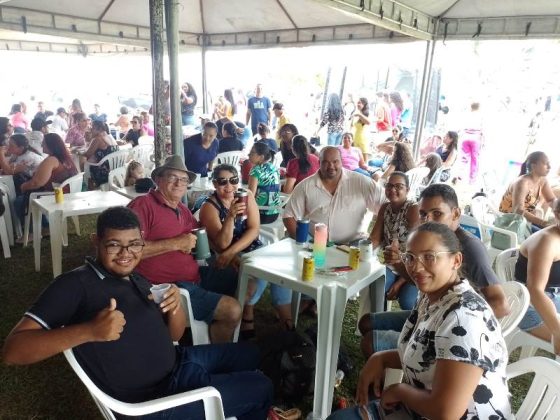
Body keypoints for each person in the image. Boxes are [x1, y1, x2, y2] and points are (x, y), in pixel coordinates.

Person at [2, 206, 273, 420]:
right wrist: (89, 331)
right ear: (96, 242)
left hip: (179, 362)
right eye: (114, 244)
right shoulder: (74, 285)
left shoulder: (135, 277)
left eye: (134, 244)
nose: (126, 253)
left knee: (252, 353)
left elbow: (173, 335)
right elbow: (13, 351)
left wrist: (175, 308)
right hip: (156, 401)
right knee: (261, 387)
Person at [329, 222, 512, 420]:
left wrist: (399, 391)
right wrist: (380, 358)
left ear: (456, 260)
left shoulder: (464, 318)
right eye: (410, 257)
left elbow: (445, 412)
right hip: (421, 405)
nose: (416, 267)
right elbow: (426, 354)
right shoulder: (433, 296)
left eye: (429, 256)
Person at [359, 183, 510, 358]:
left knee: (370, 342)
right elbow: (423, 279)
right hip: (425, 314)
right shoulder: (429, 240)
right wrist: (399, 263)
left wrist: (452, 328)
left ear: (455, 214)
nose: (428, 220)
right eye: (423, 214)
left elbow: (501, 305)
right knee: (366, 323)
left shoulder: (469, 248)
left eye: (437, 214)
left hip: (445, 328)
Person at [127, 155, 241, 343]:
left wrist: (228, 254)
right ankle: (211, 353)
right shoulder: (142, 205)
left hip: (195, 275)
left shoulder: (182, 208)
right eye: (172, 177)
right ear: (158, 180)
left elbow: (201, 237)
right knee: (232, 310)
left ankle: (207, 327)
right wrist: (176, 243)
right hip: (170, 287)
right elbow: (128, 249)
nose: (179, 183)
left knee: (236, 276)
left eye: (184, 179)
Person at [283, 146, 385, 244]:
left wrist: (375, 238)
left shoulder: (361, 182)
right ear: (319, 163)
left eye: (335, 162)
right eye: (325, 162)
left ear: (341, 162)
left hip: (353, 245)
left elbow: (386, 205)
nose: (331, 166)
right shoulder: (305, 186)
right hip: (316, 244)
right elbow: (288, 216)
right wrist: (303, 242)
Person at [368, 172, 420, 310]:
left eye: (398, 186)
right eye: (389, 186)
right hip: (391, 265)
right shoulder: (385, 208)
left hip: (412, 268)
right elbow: (375, 238)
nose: (392, 189)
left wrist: (399, 283)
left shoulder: (413, 209)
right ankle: (378, 318)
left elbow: (417, 252)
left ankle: (411, 324)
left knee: (407, 302)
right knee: (376, 288)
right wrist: (362, 250)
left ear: (407, 190)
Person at [515, 199, 560, 355]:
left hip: (554, 298)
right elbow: (534, 291)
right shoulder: (546, 241)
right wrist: (557, 330)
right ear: (557, 214)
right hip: (529, 306)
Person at [15, 133, 78, 225]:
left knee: (18, 201)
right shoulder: (65, 157)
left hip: (57, 195)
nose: (41, 145)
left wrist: (23, 187)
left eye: (43, 143)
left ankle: (38, 227)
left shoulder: (52, 160)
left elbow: (37, 183)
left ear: (50, 145)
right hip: (68, 193)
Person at [499, 151, 556, 229]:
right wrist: (543, 223)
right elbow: (518, 210)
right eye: (546, 163)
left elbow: (551, 200)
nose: (549, 167)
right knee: (549, 233)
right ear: (533, 166)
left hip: (523, 222)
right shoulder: (522, 183)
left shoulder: (543, 181)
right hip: (508, 223)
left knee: (553, 231)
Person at [247, 142, 281, 224]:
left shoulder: (256, 170)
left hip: (260, 213)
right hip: (275, 212)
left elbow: (250, 195)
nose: (248, 155)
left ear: (261, 157)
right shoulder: (274, 168)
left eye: (252, 153)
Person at [84, 121, 119, 187]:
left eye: (92, 128)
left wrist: (77, 151)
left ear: (99, 129)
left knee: (84, 163)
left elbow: (87, 154)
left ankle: (89, 186)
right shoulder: (109, 136)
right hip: (114, 169)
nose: (90, 130)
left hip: (103, 172)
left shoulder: (97, 139)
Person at [460, 102, 484, 184]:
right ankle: (472, 179)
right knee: (475, 159)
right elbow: (483, 130)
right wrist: (483, 142)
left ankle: (460, 175)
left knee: (464, 158)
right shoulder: (481, 116)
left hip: (465, 136)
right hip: (476, 137)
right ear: (479, 107)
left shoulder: (466, 115)